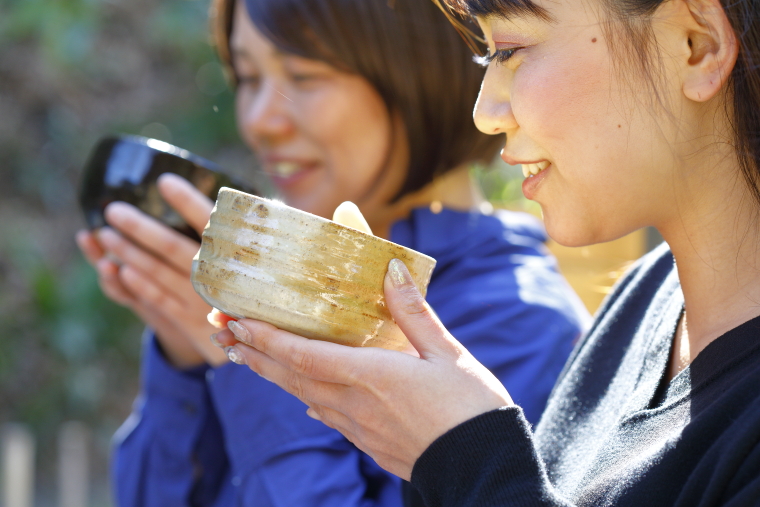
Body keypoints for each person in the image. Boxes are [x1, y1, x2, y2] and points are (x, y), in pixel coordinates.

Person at [213, 0, 760, 505]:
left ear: (697, 44)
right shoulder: (640, 305)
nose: (485, 111)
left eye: (511, 51)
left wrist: (463, 455)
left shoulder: (524, 316)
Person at [76, 0, 589, 504]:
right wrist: (186, 355)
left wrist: (245, 356)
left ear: (417, 71)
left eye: (303, 76)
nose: (259, 120)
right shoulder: (289, 279)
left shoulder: (520, 325)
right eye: (249, 78)